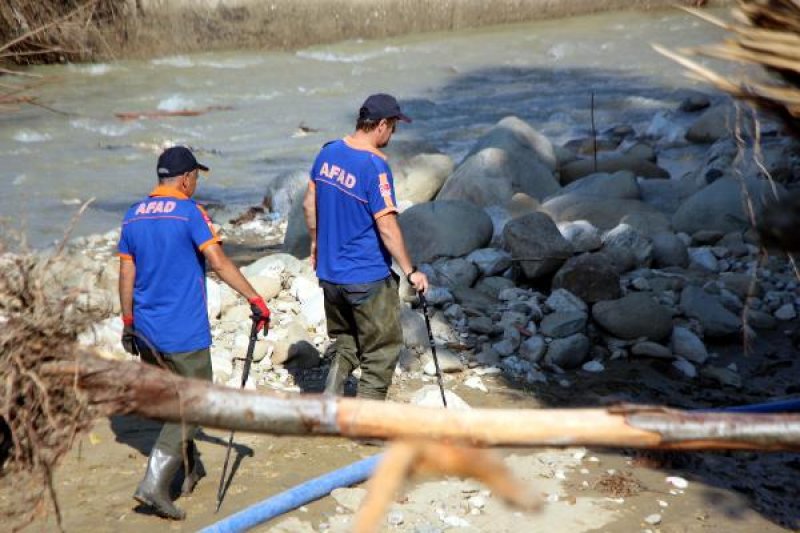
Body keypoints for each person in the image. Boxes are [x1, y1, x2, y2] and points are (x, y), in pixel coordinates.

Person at [118, 146, 270, 520]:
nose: (196, 182)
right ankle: (153, 484)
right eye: (196, 177)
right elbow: (217, 261)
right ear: (186, 178)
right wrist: (255, 298)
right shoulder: (190, 212)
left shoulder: (133, 215)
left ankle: (187, 472)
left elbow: (126, 274)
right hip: (183, 330)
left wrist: (127, 322)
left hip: (147, 330)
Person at [303, 93, 429, 401]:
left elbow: (309, 205)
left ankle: (331, 398)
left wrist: (317, 243)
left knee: (346, 340)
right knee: (381, 351)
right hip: (366, 276)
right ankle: (367, 422)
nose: (393, 134)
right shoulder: (374, 167)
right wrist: (411, 271)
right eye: (394, 127)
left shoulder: (328, 153)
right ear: (382, 125)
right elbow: (387, 226)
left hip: (330, 274)